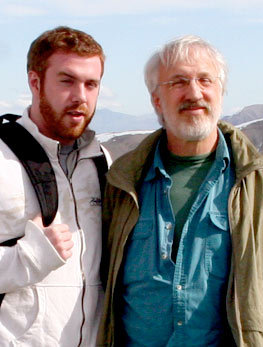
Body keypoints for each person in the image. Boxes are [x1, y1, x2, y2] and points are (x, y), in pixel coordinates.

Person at [97, 35, 263, 346]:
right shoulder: (121, 183)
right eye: (178, 82)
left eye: (205, 80)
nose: (194, 93)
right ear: (157, 100)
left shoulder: (253, 182)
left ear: (220, 93)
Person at [0, 26, 111, 346]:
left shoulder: (101, 161)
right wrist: (30, 256)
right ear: (35, 82)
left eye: (91, 84)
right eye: (67, 81)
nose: (81, 96)